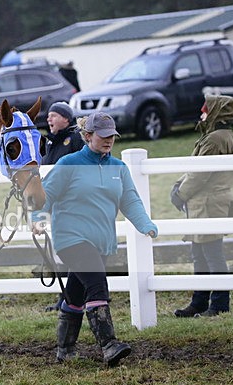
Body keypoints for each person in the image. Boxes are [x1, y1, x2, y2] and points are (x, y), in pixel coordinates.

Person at [33, 112, 157, 366]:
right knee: (97, 283)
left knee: (76, 295)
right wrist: (37, 217)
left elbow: (130, 200)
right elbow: (46, 195)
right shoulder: (69, 164)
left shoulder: (118, 169)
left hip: (102, 241)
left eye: (112, 136)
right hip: (71, 238)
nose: (109, 140)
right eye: (103, 135)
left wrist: (145, 225)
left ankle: (65, 350)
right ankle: (108, 344)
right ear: (88, 136)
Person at [171, 95, 233, 318]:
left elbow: (199, 174)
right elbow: (196, 169)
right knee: (200, 254)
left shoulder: (214, 139)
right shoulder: (221, 136)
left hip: (207, 204)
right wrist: (180, 185)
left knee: (211, 255)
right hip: (207, 203)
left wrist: (180, 193)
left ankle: (218, 304)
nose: (202, 115)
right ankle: (199, 302)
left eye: (205, 111)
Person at [39, 101, 86, 312]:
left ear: (66, 118)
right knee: (61, 252)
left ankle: (80, 295)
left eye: (54, 115)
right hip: (55, 204)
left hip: (74, 205)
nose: (49, 119)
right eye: (48, 116)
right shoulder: (49, 144)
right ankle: (64, 297)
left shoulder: (75, 139)